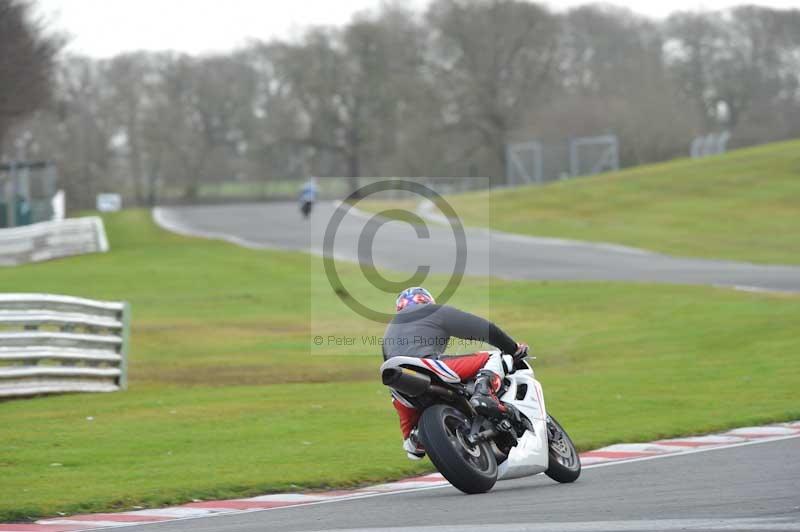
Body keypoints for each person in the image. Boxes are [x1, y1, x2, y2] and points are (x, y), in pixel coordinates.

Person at [382, 286, 528, 460]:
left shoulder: (390, 330)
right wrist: (512, 348)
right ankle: (484, 392)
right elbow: (482, 328)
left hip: (399, 384)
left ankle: (414, 437)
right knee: (493, 356)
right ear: (426, 300)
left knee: (410, 435)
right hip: (429, 364)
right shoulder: (431, 311)